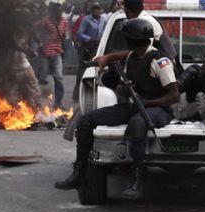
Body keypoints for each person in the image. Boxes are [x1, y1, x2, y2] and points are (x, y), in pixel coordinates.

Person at [54, 19, 179, 199]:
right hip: (133, 105)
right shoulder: (131, 57)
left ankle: (136, 180)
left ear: (132, 40)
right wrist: (123, 88)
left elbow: (173, 95)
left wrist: (147, 103)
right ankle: (80, 173)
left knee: (136, 124)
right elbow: (123, 86)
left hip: (158, 108)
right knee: (86, 120)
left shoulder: (160, 62)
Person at [33, 2, 68, 109]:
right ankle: (35, 102)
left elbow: (64, 36)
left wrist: (64, 49)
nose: (58, 13)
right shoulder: (45, 20)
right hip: (44, 53)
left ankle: (58, 103)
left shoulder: (64, 21)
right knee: (41, 78)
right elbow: (33, 30)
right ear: (52, 12)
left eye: (60, 11)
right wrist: (40, 43)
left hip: (57, 52)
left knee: (59, 78)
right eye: (56, 11)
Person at [72, 2, 103, 103]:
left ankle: (91, 95)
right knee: (82, 70)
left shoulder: (103, 19)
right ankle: (76, 94)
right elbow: (80, 33)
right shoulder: (86, 19)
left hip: (97, 48)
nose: (96, 11)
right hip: (86, 47)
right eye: (94, 9)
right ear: (91, 10)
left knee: (94, 71)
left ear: (100, 10)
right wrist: (90, 39)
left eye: (98, 9)